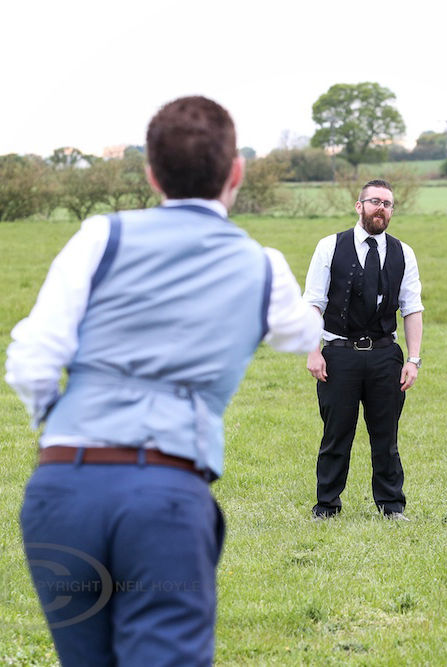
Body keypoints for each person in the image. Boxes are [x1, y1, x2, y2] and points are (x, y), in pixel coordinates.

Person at [6, 96, 322, 665]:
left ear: (151, 174)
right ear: (237, 172)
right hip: (165, 495)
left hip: (62, 491)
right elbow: (299, 334)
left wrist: (59, 424)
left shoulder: (102, 236)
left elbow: (31, 355)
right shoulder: (262, 265)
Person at [304, 179, 423, 520]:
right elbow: (312, 303)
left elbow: (412, 308)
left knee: (385, 434)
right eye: (374, 201)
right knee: (336, 433)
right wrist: (314, 351)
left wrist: (413, 360)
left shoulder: (404, 252)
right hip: (339, 353)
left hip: (386, 354)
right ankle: (327, 506)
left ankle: (391, 506)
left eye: (387, 203)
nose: (381, 208)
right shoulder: (330, 246)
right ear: (359, 206)